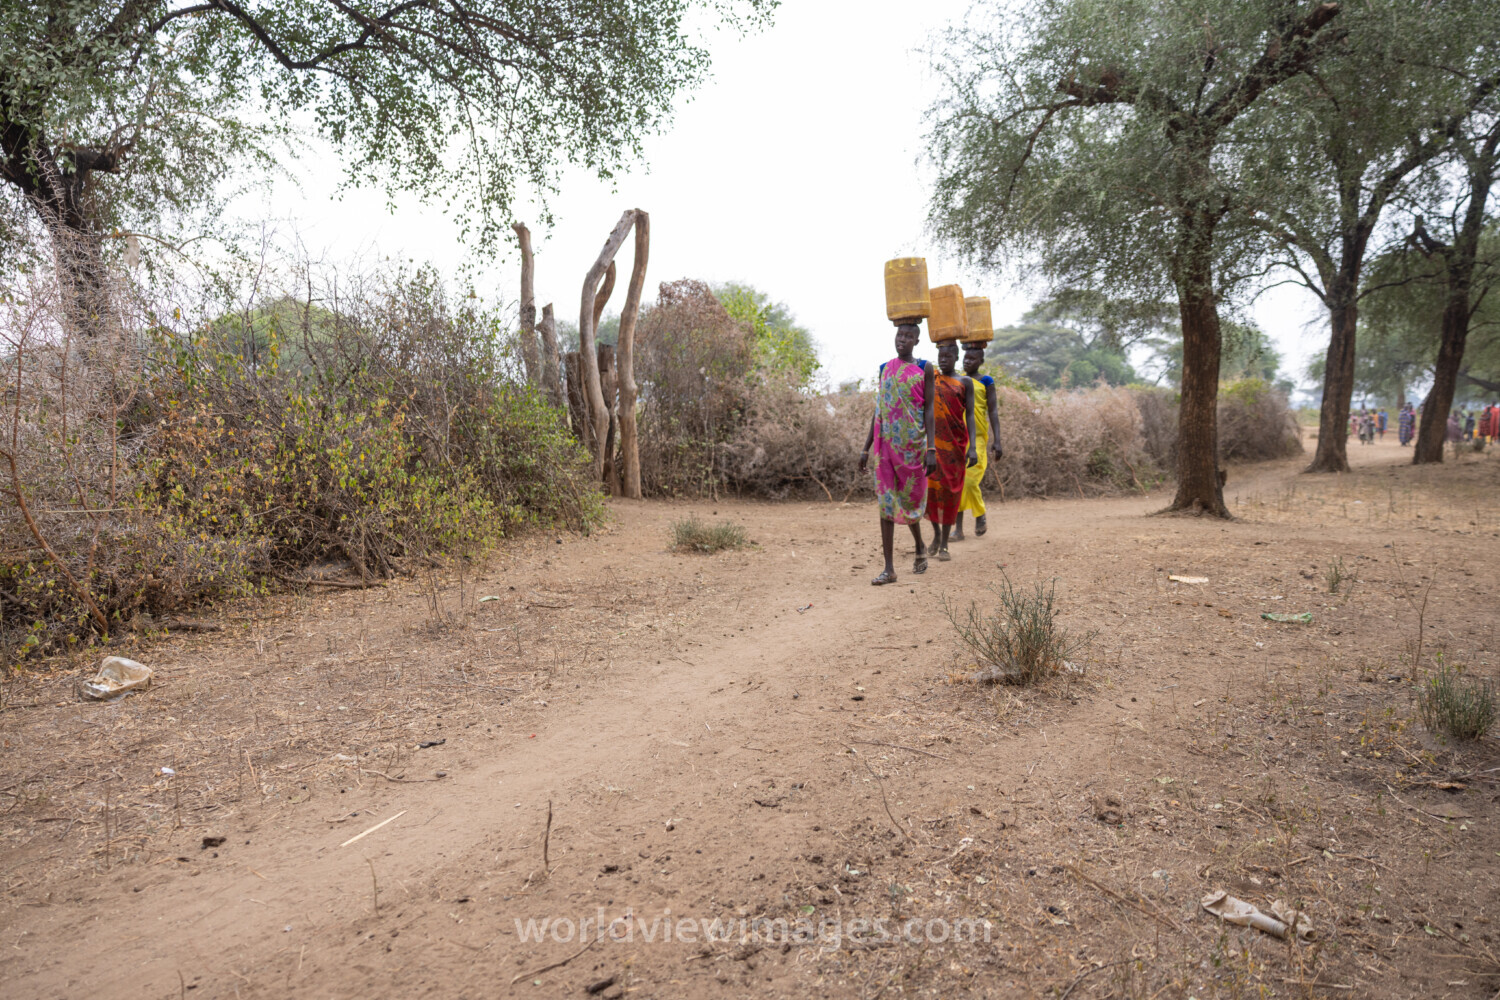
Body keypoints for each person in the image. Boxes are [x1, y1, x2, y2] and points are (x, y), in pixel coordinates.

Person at [860, 323, 936, 586]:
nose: (902, 339)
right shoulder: (885, 368)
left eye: (908, 336)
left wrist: (931, 448)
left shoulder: (925, 367)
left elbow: (929, 409)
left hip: (913, 446)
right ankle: (889, 569)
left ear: (917, 341)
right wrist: (866, 447)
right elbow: (879, 409)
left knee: (909, 499)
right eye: (899, 335)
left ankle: (920, 545)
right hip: (885, 447)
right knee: (886, 503)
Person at [924, 340, 978, 561]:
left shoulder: (965, 382)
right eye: (940, 356)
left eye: (947, 356)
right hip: (933, 446)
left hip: (955, 446)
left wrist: (973, 447)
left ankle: (945, 543)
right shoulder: (932, 378)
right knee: (932, 492)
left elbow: (970, 415)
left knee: (951, 492)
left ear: (956, 358)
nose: (943, 360)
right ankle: (936, 535)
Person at [953, 342, 1002, 541]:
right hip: (958, 438)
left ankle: (980, 513)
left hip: (978, 439)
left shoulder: (986, 381)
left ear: (981, 361)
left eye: (972, 359)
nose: (968, 362)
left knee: (970, 480)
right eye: (966, 358)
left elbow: (993, 411)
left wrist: (998, 440)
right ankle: (958, 529)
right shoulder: (957, 380)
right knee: (957, 482)